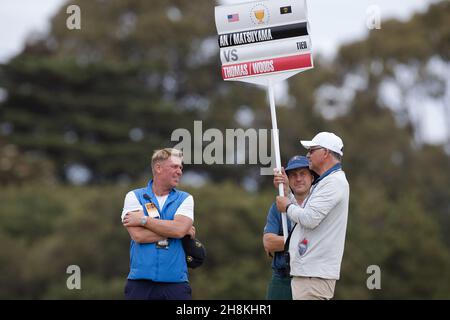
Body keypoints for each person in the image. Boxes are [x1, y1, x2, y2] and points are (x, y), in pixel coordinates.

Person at [274, 132, 349, 300]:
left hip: (314, 275)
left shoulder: (334, 182)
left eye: (312, 150)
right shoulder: (326, 181)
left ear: (326, 153)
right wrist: (287, 192)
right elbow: (305, 213)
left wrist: (287, 205)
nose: (308, 154)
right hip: (310, 274)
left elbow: (309, 219)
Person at [121, 148, 195, 300]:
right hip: (139, 284)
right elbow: (139, 236)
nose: (180, 171)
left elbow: (179, 230)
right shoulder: (134, 196)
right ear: (158, 168)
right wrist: (174, 230)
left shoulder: (186, 198)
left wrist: (144, 220)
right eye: (175, 166)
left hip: (176, 285)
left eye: (181, 167)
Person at [263, 155, 315, 300]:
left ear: (312, 177)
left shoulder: (318, 206)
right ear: (288, 179)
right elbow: (268, 242)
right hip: (282, 278)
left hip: (311, 278)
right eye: (293, 175)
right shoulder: (277, 207)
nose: (298, 179)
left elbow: (317, 240)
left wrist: (285, 242)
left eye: (303, 174)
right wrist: (303, 241)